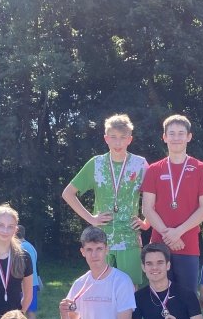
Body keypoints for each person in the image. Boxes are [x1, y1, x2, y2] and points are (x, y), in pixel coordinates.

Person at [61, 113, 149, 286]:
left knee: (130, 289)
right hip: (101, 240)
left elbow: (156, 195)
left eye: (122, 138)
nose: (118, 143)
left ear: (130, 139)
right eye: (113, 137)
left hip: (129, 238)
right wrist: (91, 219)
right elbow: (68, 193)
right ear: (106, 138)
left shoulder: (140, 164)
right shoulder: (97, 163)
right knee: (102, 287)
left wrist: (147, 223)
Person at [141, 114, 203, 292]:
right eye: (172, 133)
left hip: (187, 244)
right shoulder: (154, 169)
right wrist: (168, 235)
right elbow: (147, 208)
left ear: (189, 136)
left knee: (187, 296)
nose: (176, 138)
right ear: (164, 137)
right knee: (159, 295)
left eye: (181, 133)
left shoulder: (201, 168)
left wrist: (178, 232)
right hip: (159, 246)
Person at [17, 224, 39, 319]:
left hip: (25, 284)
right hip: (33, 282)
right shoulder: (30, 246)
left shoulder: (20, 247)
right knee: (30, 310)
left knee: (26, 311)